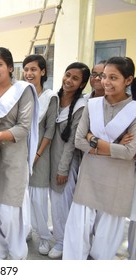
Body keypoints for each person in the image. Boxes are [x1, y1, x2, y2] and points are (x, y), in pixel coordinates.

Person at [63, 57, 136, 260]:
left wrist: (94, 140)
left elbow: (130, 152)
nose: (106, 82)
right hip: (90, 177)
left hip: (118, 181)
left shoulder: (134, 110)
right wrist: (114, 147)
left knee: (106, 240)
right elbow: (79, 141)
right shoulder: (92, 105)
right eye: (104, 76)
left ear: (128, 80)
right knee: (77, 233)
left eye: (113, 77)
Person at [0, 47, 39, 260]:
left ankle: (17, 256)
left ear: (10, 67)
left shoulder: (23, 90)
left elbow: (23, 129)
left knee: (9, 213)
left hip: (12, 160)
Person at [48, 62, 90, 259]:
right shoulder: (54, 99)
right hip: (49, 157)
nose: (69, 80)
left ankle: (62, 241)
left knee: (62, 201)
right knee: (55, 202)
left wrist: (63, 169)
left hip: (65, 161)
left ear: (82, 84)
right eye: (67, 75)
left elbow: (72, 143)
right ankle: (59, 233)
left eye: (75, 78)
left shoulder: (81, 107)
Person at [23, 54, 58, 256]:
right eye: (26, 69)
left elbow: (50, 130)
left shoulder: (50, 97)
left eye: (34, 69)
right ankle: (27, 229)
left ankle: (44, 237)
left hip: (40, 154)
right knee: (23, 197)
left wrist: (36, 155)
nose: (29, 73)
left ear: (43, 72)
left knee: (38, 198)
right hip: (20, 151)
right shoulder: (21, 94)